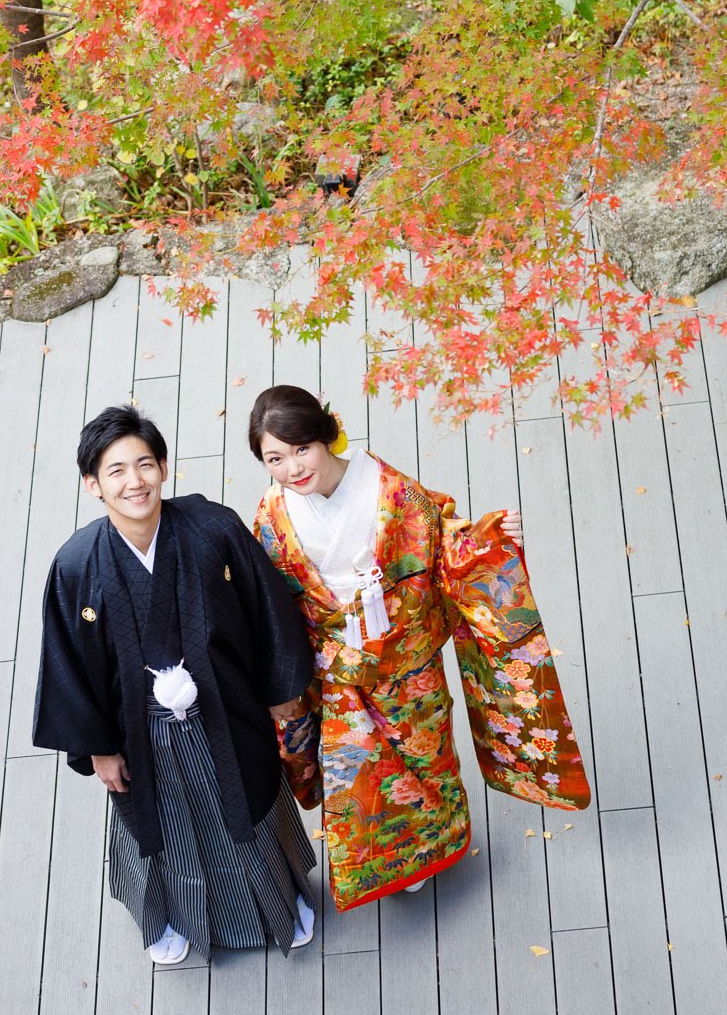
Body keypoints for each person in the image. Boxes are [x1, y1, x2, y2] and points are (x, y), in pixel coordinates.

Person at [249, 384, 590, 913]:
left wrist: (485, 540)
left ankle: (434, 849)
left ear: (324, 436)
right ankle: (379, 862)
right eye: (275, 458)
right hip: (339, 672)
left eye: (300, 449)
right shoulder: (272, 515)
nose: (292, 468)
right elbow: (267, 596)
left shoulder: (389, 491)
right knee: (354, 774)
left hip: (408, 664)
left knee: (424, 762)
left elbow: (443, 540)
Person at [33, 404, 317, 966]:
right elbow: (66, 661)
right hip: (138, 732)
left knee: (248, 806)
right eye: (115, 471)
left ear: (164, 466)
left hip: (228, 711)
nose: (134, 481)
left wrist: (283, 690)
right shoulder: (76, 564)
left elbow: (264, 607)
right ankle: (168, 915)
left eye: (144, 463)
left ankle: (278, 905)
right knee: (162, 829)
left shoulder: (213, 529)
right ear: (92, 484)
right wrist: (99, 749)